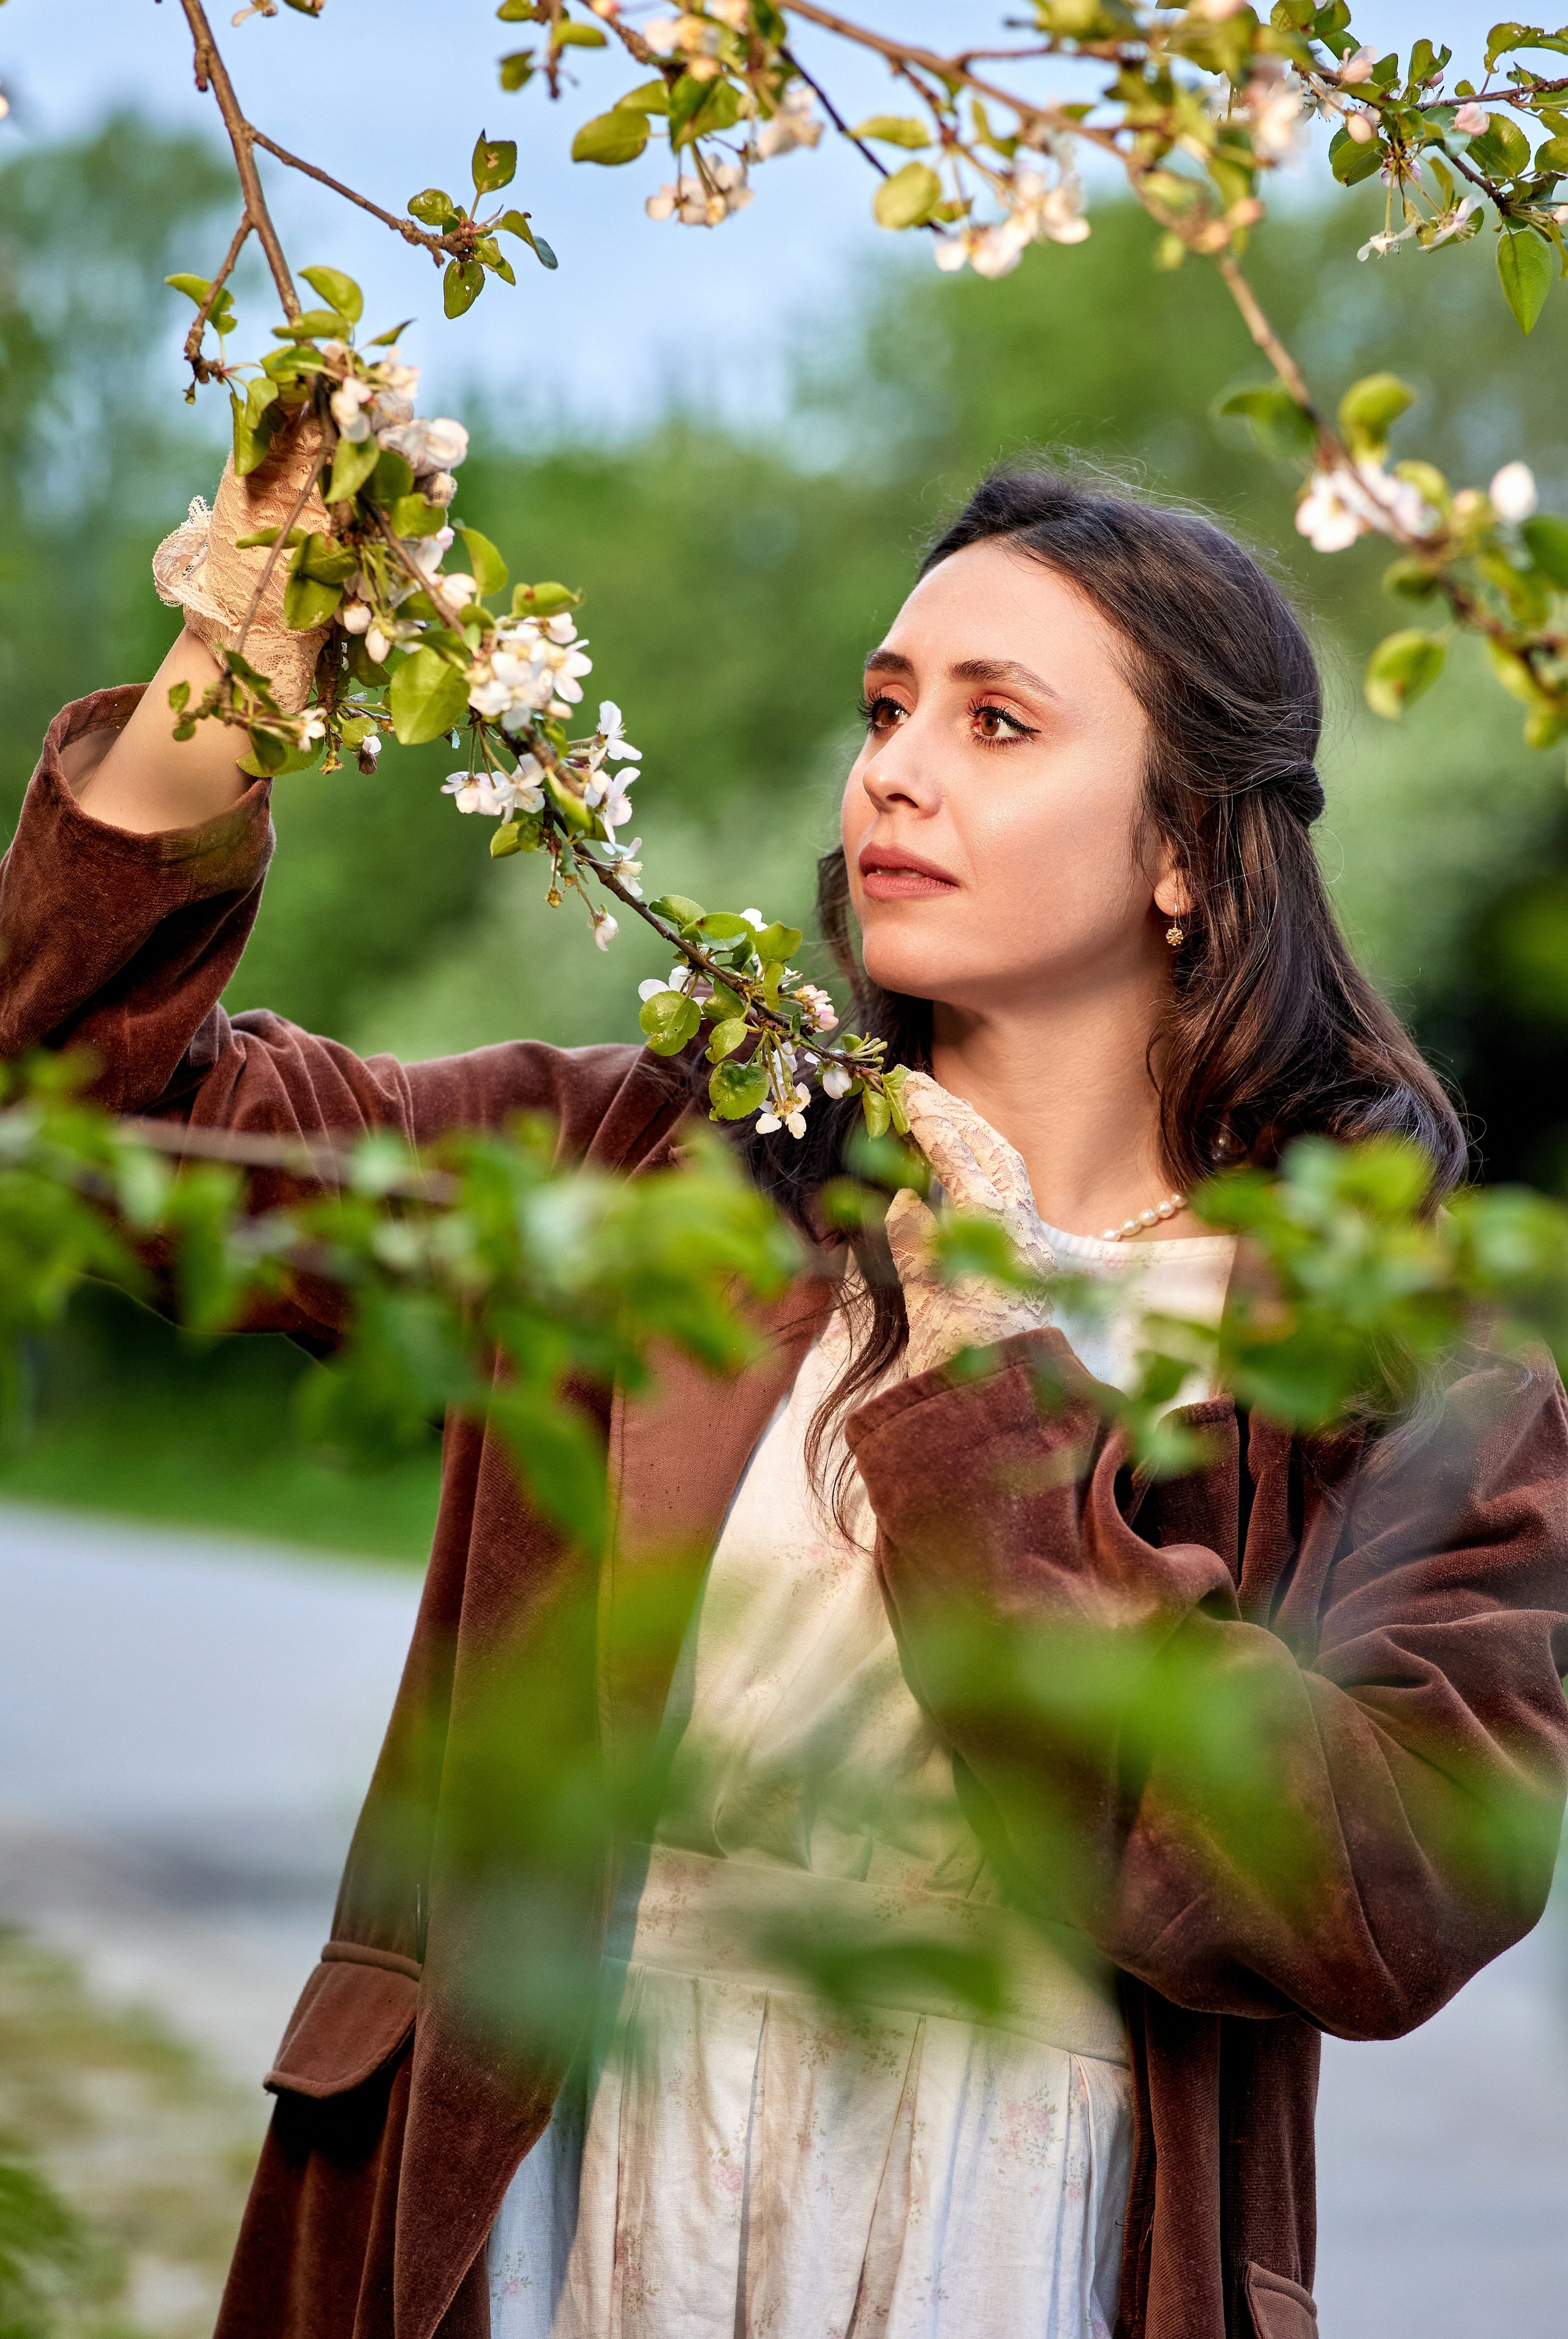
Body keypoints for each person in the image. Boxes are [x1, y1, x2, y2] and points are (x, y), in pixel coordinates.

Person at [4, 429, 1568, 2339]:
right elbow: (95, 1120)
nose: (893, 767)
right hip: (557, 2205)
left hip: (1027, 2249)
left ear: (1180, 847)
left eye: (999, 724)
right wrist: (237, 655)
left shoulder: (1393, 1361)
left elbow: (1379, 1888)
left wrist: (983, 1390)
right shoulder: (657, 1168)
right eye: (887, 704)